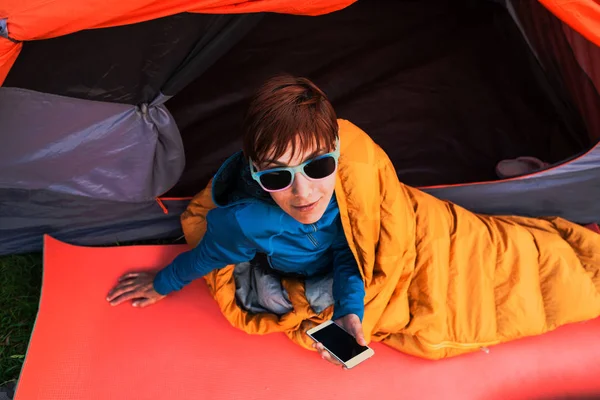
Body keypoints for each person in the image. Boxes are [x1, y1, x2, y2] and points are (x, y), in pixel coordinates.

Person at [106, 75, 366, 367]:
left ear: (337, 147)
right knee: (266, 300)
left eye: (318, 165)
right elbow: (207, 256)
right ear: (256, 170)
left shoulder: (351, 183)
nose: (303, 193)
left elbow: (351, 249)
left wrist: (350, 310)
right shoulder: (245, 221)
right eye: (277, 175)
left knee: (359, 290)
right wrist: (162, 283)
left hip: (332, 266)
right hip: (280, 270)